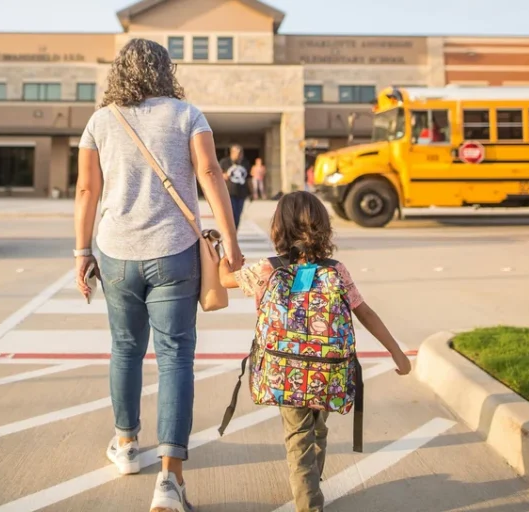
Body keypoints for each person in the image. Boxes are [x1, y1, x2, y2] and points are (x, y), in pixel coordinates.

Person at [74, 38, 243, 512]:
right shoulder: (188, 114)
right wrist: (230, 241)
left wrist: (81, 252)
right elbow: (210, 173)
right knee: (175, 358)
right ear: (166, 70)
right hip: (175, 253)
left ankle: (127, 444)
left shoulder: (100, 121)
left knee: (126, 349)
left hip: (116, 252)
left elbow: (87, 189)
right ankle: (170, 480)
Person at [218, 191, 411, 512]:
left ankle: (309, 503)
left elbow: (225, 280)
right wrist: (396, 352)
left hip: (285, 372)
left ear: (278, 228)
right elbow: (364, 312)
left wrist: (223, 260)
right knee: (317, 428)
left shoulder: (267, 269)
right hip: (328, 370)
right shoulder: (336, 270)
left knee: (298, 437)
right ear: (323, 226)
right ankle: (311, 483)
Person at [219, 144, 251, 229]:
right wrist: (224, 175)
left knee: (238, 214)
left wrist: (252, 192)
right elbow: (217, 174)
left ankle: (234, 231)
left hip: (241, 193)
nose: (240, 155)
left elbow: (249, 178)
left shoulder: (245, 163)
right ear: (232, 153)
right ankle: (229, 231)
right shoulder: (225, 162)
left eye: (241, 153)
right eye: (238, 153)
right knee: (231, 213)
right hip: (229, 193)